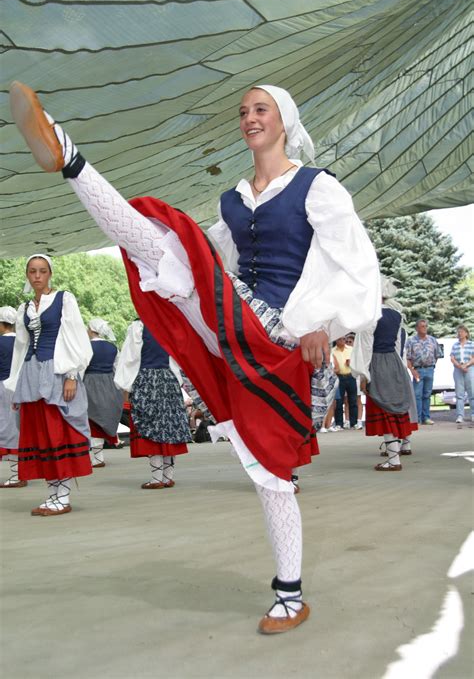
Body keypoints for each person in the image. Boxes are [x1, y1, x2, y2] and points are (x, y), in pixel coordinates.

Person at [9, 81, 380, 633]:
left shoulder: (317, 187)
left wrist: (324, 325)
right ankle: (69, 157)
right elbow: (216, 259)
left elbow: (354, 262)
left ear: (284, 121)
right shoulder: (233, 198)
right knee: (162, 248)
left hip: (281, 338)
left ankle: (290, 593)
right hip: (233, 327)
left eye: (261, 110)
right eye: (244, 112)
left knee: (271, 474)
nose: (250, 118)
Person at [4, 254, 93, 515]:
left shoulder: (64, 299)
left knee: (58, 433)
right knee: (40, 435)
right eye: (32, 271)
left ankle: (62, 496)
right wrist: (15, 388)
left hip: (57, 371)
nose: (37, 276)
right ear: (27, 274)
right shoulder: (24, 308)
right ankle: (52, 493)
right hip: (31, 376)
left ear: (50, 273)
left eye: (42, 271)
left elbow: (76, 337)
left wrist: (71, 375)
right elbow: (20, 349)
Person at [114, 320, 190, 488]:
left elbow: (130, 358)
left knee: (150, 426)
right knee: (169, 427)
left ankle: (156, 478)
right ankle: (168, 476)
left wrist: (126, 385)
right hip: (169, 379)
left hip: (147, 379)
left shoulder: (138, 326)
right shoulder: (168, 323)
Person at [352, 277, 418, 470]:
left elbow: (365, 347)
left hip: (377, 362)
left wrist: (363, 375)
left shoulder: (370, 316)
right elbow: (398, 346)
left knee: (384, 407)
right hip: (394, 362)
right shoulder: (397, 315)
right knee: (393, 409)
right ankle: (394, 456)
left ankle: (394, 460)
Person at [84, 318, 124, 467]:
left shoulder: (85, 346)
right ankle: (98, 457)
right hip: (109, 383)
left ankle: (97, 457)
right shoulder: (112, 347)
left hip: (89, 382)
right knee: (100, 419)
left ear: (91, 330)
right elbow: (118, 369)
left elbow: (81, 367)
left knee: (91, 420)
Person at [0, 306, 24, 488]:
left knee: (8, 429)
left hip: (4, 387)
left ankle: (17, 475)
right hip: (23, 388)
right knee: (19, 428)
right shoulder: (23, 342)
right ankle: (20, 471)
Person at [405, 319, 441, 425]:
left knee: (427, 394)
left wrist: (432, 366)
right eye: (422, 326)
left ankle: (426, 417)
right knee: (417, 395)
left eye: (425, 326)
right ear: (417, 328)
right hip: (418, 370)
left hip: (429, 369)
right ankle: (417, 419)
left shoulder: (432, 340)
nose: (424, 328)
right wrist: (412, 370)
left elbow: (437, 354)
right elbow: (407, 358)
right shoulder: (411, 341)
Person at [450, 325, 474, 425]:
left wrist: (466, 365)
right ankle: (460, 415)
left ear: (466, 333)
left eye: (461, 332)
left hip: (470, 369)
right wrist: (460, 366)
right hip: (458, 370)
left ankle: (473, 414)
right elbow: (452, 358)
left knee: (472, 393)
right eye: (458, 332)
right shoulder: (455, 345)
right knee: (459, 394)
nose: (460, 334)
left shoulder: (472, 344)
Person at [332, 337, 358, 429]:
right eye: (340, 339)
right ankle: (339, 423)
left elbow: (357, 361)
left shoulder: (351, 349)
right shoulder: (332, 351)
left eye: (344, 339)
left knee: (353, 400)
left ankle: (354, 423)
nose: (343, 341)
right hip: (339, 377)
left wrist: (351, 363)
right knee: (339, 401)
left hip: (350, 376)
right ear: (336, 340)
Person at [344, 332, 363, 429]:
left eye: (350, 341)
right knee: (347, 400)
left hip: (356, 377)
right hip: (346, 376)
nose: (347, 343)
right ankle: (347, 420)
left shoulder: (358, 351)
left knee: (358, 399)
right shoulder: (343, 351)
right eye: (346, 341)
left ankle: (359, 420)